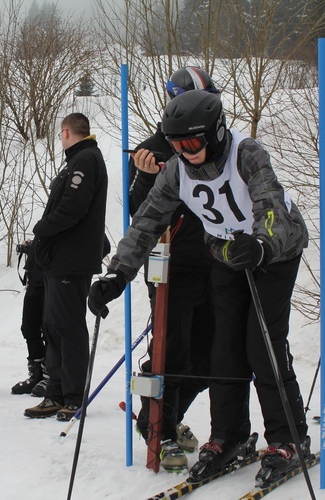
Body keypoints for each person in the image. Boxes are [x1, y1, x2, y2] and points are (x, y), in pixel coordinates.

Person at [88, 90, 309, 485]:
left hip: (272, 256)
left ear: (216, 133)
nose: (185, 153)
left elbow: (270, 204)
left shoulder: (246, 153)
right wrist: (117, 274)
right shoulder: (176, 171)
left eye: (192, 143)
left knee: (263, 346)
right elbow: (148, 221)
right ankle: (229, 434)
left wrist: (261, 244)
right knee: (223, 348)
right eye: (176, 145)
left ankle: (288, 438)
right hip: (224, 254)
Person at [127, 66, 219, 471]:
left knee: (211, 355)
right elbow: (139, 215)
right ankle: (158, 428)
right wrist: (147, 179)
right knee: (172, 353)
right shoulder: (155, 147)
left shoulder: (219, 144)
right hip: (173, 267)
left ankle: (168, 416)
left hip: (216, 263)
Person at [24, 112, 108, 421]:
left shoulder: (85, 160)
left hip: (72, 261)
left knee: (69, 328)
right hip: (59, 261)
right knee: (54, 328)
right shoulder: (77, 160)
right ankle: (55, 394)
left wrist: (41, 229)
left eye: (61, 135)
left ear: (67, 132)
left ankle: (73, 397)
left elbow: (72, 209)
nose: (60, 140)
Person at [11, 240, 48, 397]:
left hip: (53, 282)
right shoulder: (47, 221)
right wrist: (31, 246)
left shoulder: (65, 218)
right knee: (28, 328)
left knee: (50, 331)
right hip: (34, 280)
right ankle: (36, 374)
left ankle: (50, 376)